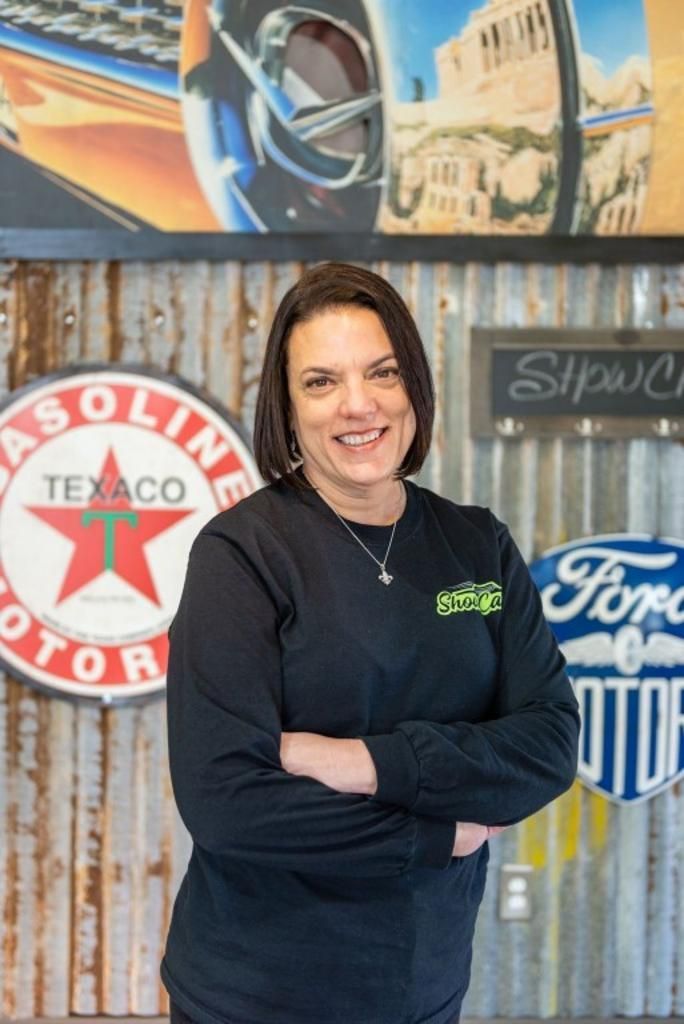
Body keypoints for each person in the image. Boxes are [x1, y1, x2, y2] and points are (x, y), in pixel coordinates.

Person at [161, 262, 580, 1024]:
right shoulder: (243, 554)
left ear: (414, 385)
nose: (359, 404)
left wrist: (362, 761)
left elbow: (548, 746)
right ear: (286, 409)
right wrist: (434, 834)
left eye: (382, 372)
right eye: (321, 382)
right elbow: (225, 802)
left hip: (423, 984)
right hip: (256, 993)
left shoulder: (476, 546)